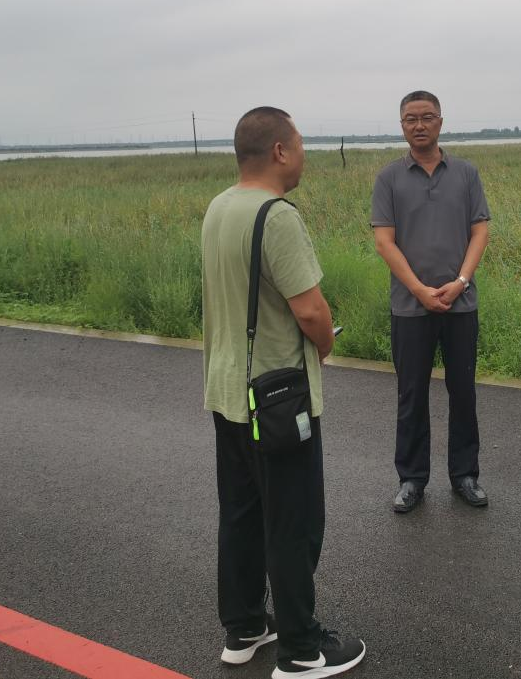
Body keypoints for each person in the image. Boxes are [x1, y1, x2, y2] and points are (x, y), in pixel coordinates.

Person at [201, 106, 365, 678]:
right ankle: (301, 648)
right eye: (299, 146)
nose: (303, 157)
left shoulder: (219, 207)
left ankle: (244, 625)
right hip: (277, 400)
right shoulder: (277, 216)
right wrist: (325, 344)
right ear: (279, 151)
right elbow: (311, 311)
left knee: (241, 513)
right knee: (294, 520)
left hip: (227, 390)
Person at [371, 90, 492, 513]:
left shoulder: (466, 173)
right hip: (410, 307)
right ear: (401, 125)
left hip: (461, 303)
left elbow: (480, 230)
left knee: (463, 392)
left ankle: (465, 475)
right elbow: (384, 242)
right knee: (411, 395)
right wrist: (419, 290)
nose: (419, 125)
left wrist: (461, 281)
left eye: (427, 117)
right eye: (410, 118)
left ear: (441, 121)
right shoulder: (389, 178)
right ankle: (411, 478)